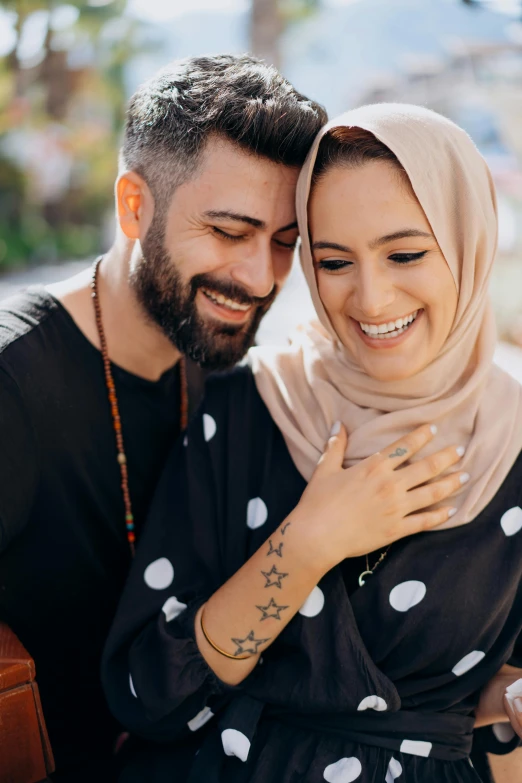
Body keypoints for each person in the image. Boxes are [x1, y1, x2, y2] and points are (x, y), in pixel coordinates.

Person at [102, 104, 522, 782]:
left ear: (470, 240)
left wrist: (510, 699)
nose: (372, 298)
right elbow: (147, 693)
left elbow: (489, 694)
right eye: (334, 261)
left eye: (406, 253)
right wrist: (308, 542)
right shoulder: (249, 407)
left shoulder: (515, 440)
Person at [0, 54, 326, 780]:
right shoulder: (13, 378)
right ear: (133, 206)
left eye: (283, 241)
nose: (260, 276)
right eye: (228, 230)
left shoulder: (229, 374)